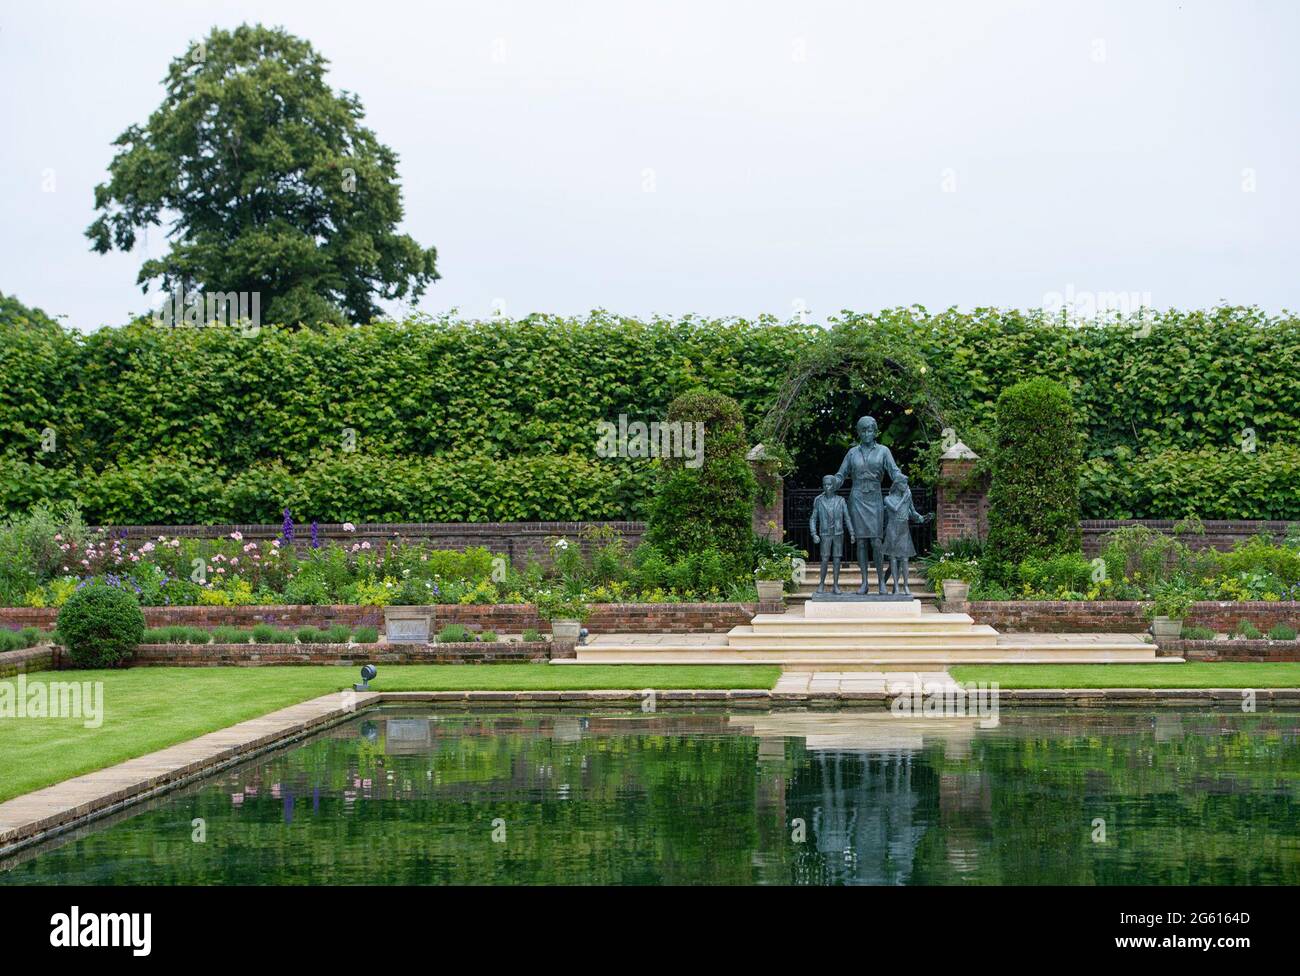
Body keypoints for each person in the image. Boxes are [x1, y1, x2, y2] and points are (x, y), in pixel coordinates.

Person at [831, 415, 903, 594]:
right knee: (861, 542)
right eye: (863, 431)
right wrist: (833, 482)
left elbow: (894, 471)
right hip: (857, 498)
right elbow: (841, 474)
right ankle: (864, 583)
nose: (866, 434)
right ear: (858, 432)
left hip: (875, 498)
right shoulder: (852, 453)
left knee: (876, 542)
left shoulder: (883, 451)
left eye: (870, 430)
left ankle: (881, 582)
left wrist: (901, 480)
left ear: (875, 432)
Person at [881, 474, 932, 595]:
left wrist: (921, 517)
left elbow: (913, 512)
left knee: (905, 559)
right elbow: (895, 509)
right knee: (893, 559)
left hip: (904, 530)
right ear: (897, 485)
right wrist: (904, 499)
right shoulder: (888, 499)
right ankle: (896, 586)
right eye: (903, 483)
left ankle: (905, 586)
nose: (906, 486)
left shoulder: (907, 498)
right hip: (892, 529)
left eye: (906, 483)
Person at [810, 475, 854, 594]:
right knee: (824, 559)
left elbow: (847, 518)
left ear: (834, 486)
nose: (827, 487)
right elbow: (813, 518)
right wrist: (814, 533)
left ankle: (835, 585)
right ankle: (821, 584)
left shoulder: (841, 500)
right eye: (825, 485)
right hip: (825, 534)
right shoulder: (819, 501)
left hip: (838, 533)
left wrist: (852, 533)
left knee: (837, 560)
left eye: (829, 484)